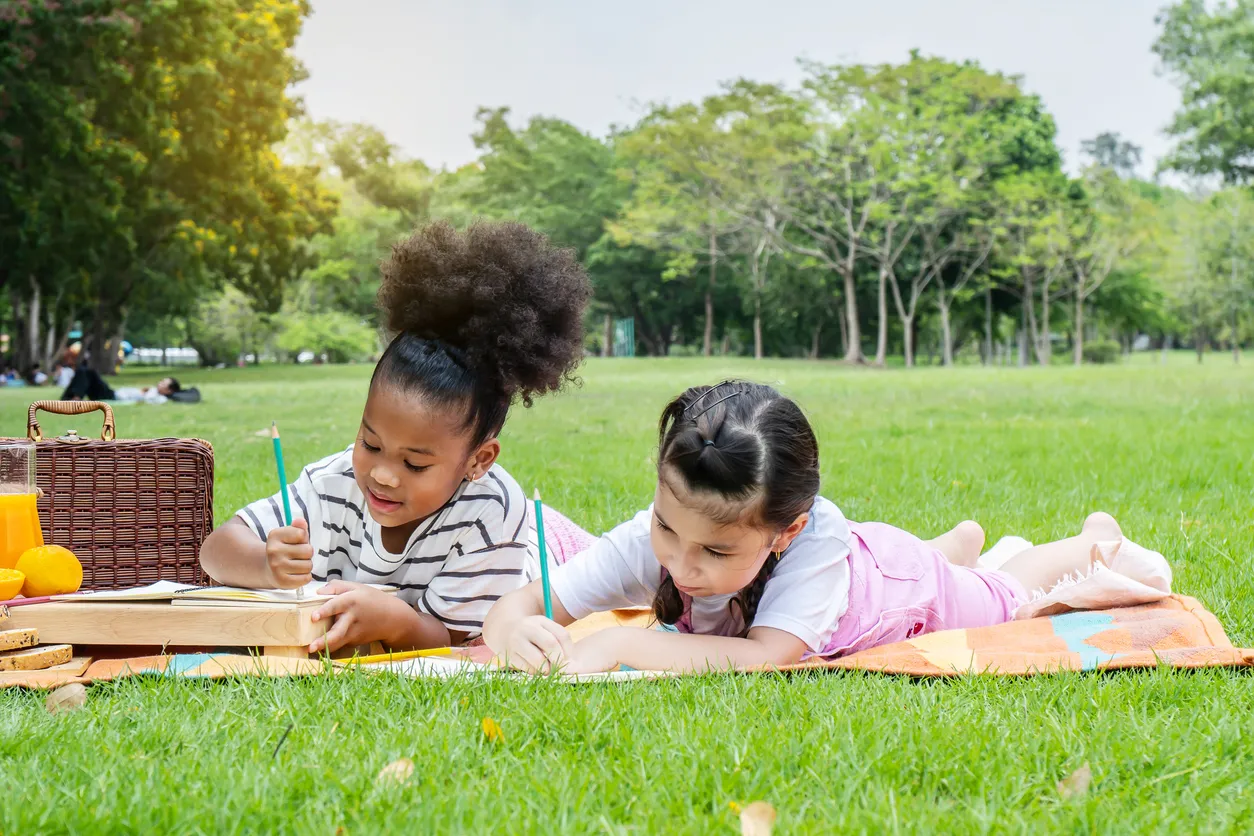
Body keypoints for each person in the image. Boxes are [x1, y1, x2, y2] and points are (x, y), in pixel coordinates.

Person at [483, 380, 1172, 674]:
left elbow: (761, 658)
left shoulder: (810, 549)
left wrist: (617, 648)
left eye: (716, 551)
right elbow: (520, 602)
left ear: (784, 532)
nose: (682, 565)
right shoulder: (660, 535)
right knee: (940, 564)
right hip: (864, 566)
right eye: (669, 531)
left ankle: (1081, 541)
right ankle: (952, 545)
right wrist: (514, 630)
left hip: (900, 591)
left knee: (999, 596)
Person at [199, 220, 591, 655]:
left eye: (415, 464)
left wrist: (394, 621)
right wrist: (265, 565)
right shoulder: (333, 482)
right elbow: (214, 552)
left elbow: (456, 640)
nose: (382, 475)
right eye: (371, 444)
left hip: (536, 556)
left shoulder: (491, 519)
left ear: (479, 460)